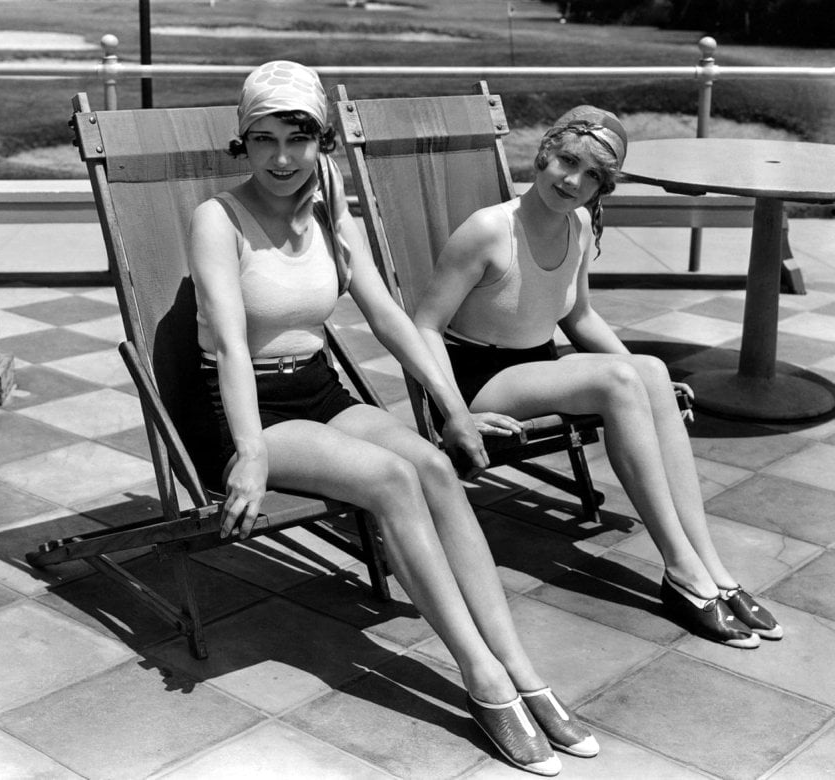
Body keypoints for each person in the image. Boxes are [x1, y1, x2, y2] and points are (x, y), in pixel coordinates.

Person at [188, 61, 598, 776]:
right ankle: (483, 678)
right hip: (239, 406)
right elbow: (226, 340)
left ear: (322, 142)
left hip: (314, 388)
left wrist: (454, 409)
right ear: (243, 143)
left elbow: (391, 320)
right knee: (390, 479)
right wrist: (249, 452)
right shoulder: (216, 219)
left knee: (435, 466)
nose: (282, 158)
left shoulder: (326, 214)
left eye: (299, 138)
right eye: (264, 140)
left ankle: (523, 668)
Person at [412, 105, 783, 651]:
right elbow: (424, 325)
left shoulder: (580, 224)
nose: (573, 180)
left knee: (651, 371)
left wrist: (650, 380)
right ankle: (682, 572)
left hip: (535, 362)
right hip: (476, 377)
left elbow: (578, 316)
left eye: (592, 176)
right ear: (545, 154)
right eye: (566, 161)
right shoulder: (490, 230)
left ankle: (714, 569)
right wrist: (456, 414)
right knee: (618, 381)